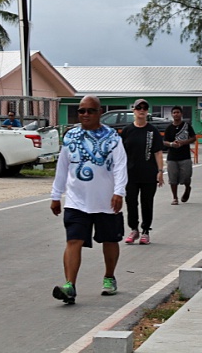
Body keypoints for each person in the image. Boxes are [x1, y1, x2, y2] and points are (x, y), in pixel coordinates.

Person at [50, 95, 127, 304]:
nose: (85, 114)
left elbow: (120, 166)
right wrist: (56, 195)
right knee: (73, 240)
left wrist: (119, 192)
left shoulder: (112, 138)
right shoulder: (70, 137)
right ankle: (69, 286)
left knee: (110, 240)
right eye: (81, 110)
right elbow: (62, 167)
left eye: (90, 111)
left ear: (99, 112)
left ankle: (109, 276)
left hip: (106, 201)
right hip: (77, 201)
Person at [122, 99, 164, 245]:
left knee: (147, 203)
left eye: (144, 108)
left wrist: (160, 171)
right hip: (130, 174)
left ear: (147, 111)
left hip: (148, 173)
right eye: (139, 108)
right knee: (131, 202)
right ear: (133, 110)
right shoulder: (127, 131)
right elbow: (121, 154)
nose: (141, 110)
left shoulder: (152, 131)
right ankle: (134, 229)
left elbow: (158, 152)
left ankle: (145, 231)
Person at [163, 106, 196, 205]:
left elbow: (193, 138)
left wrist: (184, 142)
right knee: (172, 178)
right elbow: (164, 141)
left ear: (181, 114)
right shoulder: (169, 128)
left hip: (185, 156)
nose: (176, 114)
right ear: (172, 114)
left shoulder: (187, 126)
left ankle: (187, 188)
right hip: (172, 157)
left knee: (186, 176)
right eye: (174, 112)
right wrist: (172, 144)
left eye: (178, 112)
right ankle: (175, 197)